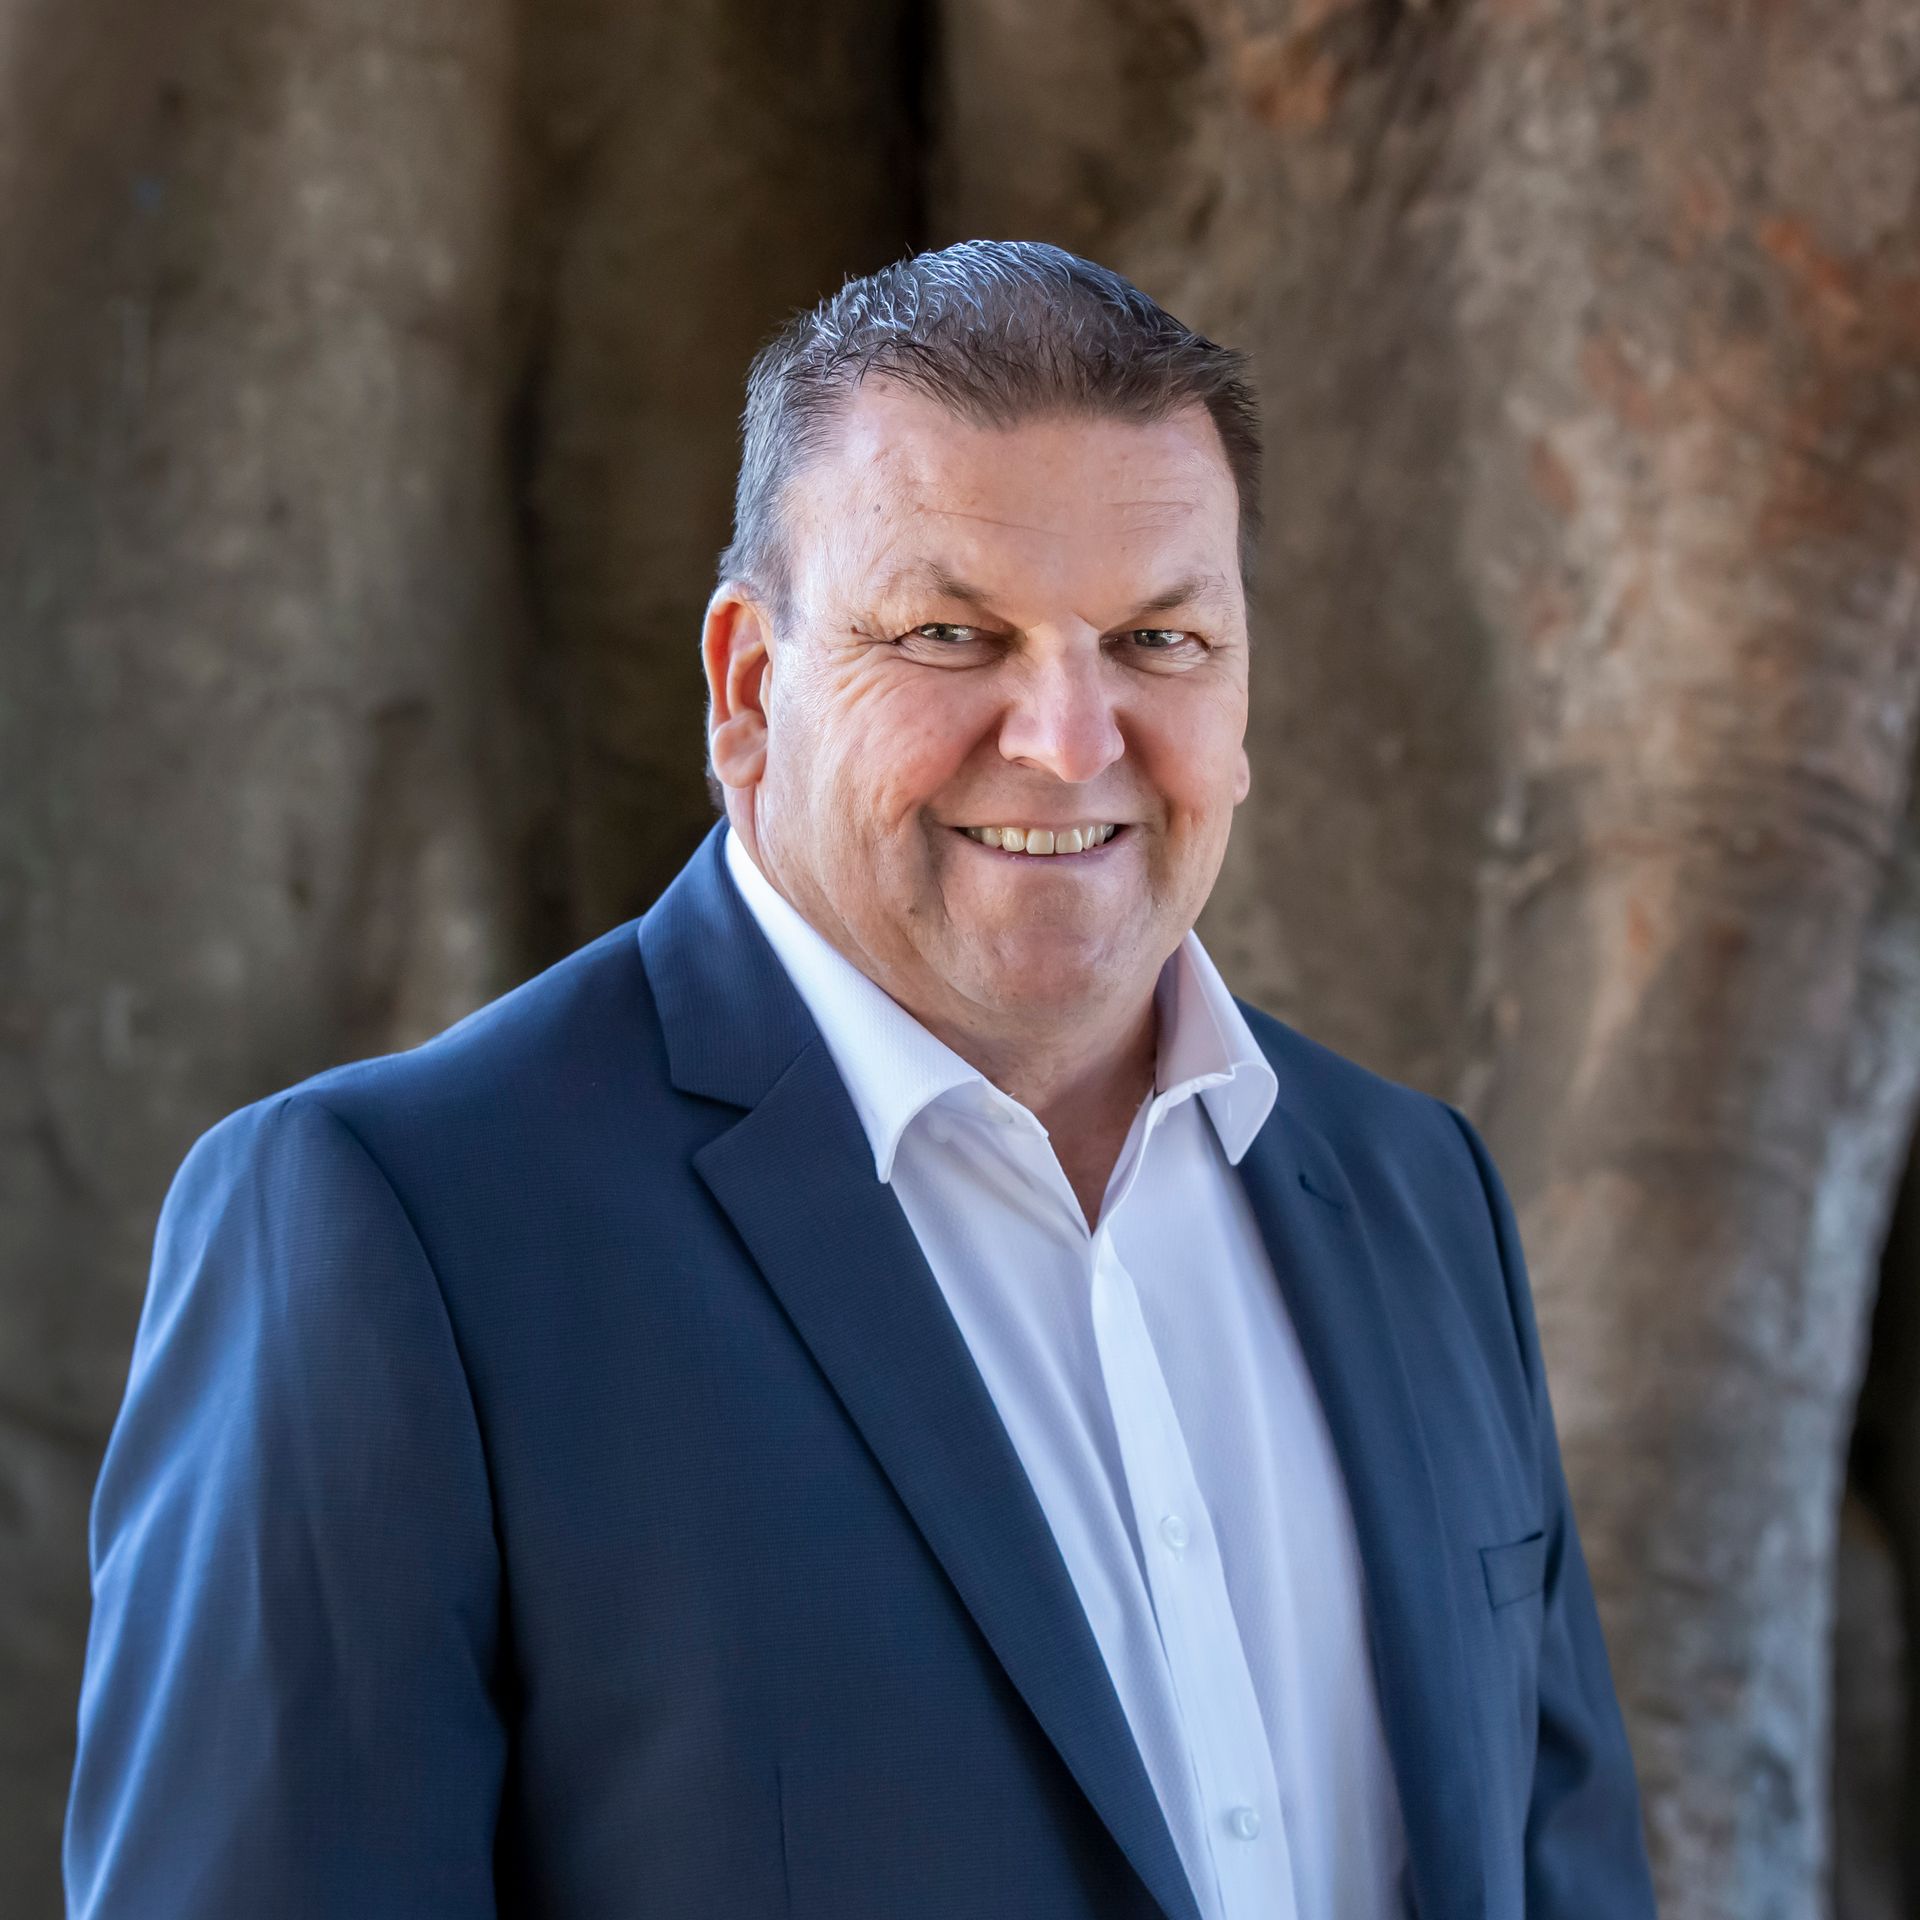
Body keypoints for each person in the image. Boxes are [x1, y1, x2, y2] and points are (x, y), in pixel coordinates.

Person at [64, 239, 1657, 1920]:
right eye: (955, 633)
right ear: (751, 692)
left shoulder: (1420, 1197)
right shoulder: (400, 1232)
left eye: (1159, 640)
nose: (1067, 734)